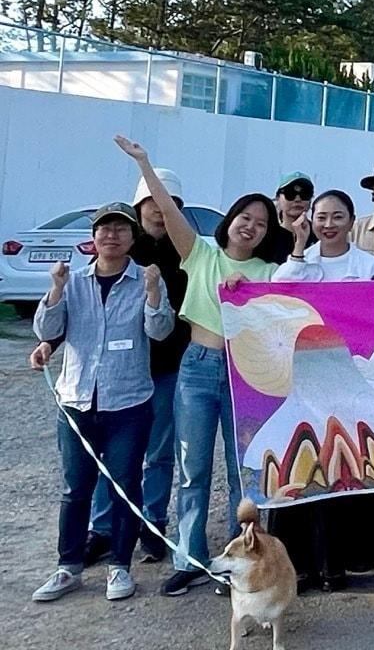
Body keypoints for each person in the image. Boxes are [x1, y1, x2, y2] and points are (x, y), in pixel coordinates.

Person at [112, 135, 284, 597]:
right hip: (197, 367)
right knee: (192, 468)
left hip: (246, 373)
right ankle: (189, 558)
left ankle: (241, 563)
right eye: (245, 218)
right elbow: (168, 212)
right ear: (231, 220)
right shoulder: (200, 253)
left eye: (261, 223)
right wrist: (145, 164)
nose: (251, 227)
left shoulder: (270, 273)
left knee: (243, 472)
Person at [32, 169, 193, 568]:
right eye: (153, 203)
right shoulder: (113, 254)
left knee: (157, 455)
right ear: (139, 208)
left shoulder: (188, 251)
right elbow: (83, 316)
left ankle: (150, 523)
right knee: (109, 459)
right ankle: (102, 530)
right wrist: (49, 343)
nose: (161, 211)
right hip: (111, 377)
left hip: (166, 368)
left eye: (169, 204)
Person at [264, 190, 374, 592]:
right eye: (321, 217)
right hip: (301, 379)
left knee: (343, 467)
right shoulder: (302, 261)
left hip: (348, 379)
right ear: (310, 220)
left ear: (352, 220)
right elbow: (276, 291)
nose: (329, 224)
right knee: (301, 466)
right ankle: (297, 564)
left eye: (337, 216)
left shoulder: (366, 265)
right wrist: (298, 247)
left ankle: (338, 563)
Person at [269, 171, 315, 264]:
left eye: (305, 194)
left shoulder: (319, 234)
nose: (298, 199)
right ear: (277, 198)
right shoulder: (268, 236)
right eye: (290, 194)